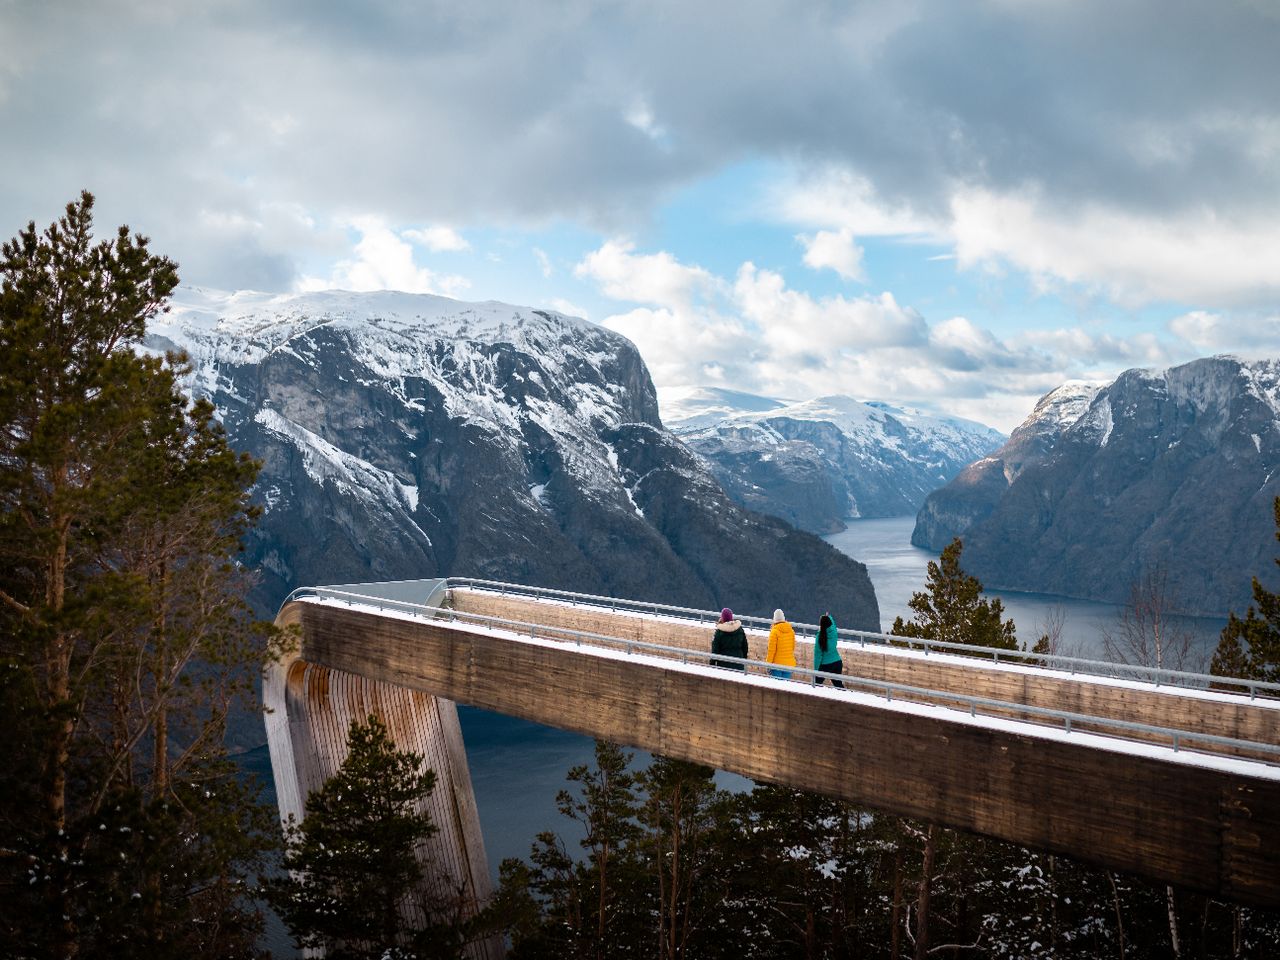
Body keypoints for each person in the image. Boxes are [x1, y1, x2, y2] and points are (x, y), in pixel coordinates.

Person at [812, 613, 843, 688]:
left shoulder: (820, 636)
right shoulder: (833, 631)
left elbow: (818, 655)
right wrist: (829, 617)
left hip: (826, 664)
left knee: (815, 684)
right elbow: (833, 624)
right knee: (838, 685)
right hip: (837, 662)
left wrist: (816, 670)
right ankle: (846, 695)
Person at [766, 608, 796, 680]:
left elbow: (771, 651)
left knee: (776, 685)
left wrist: (768, 664)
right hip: (789, 665)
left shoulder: (774, 632)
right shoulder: (791, 631)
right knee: (785, 685)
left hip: (777, 665)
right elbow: (792, 648)